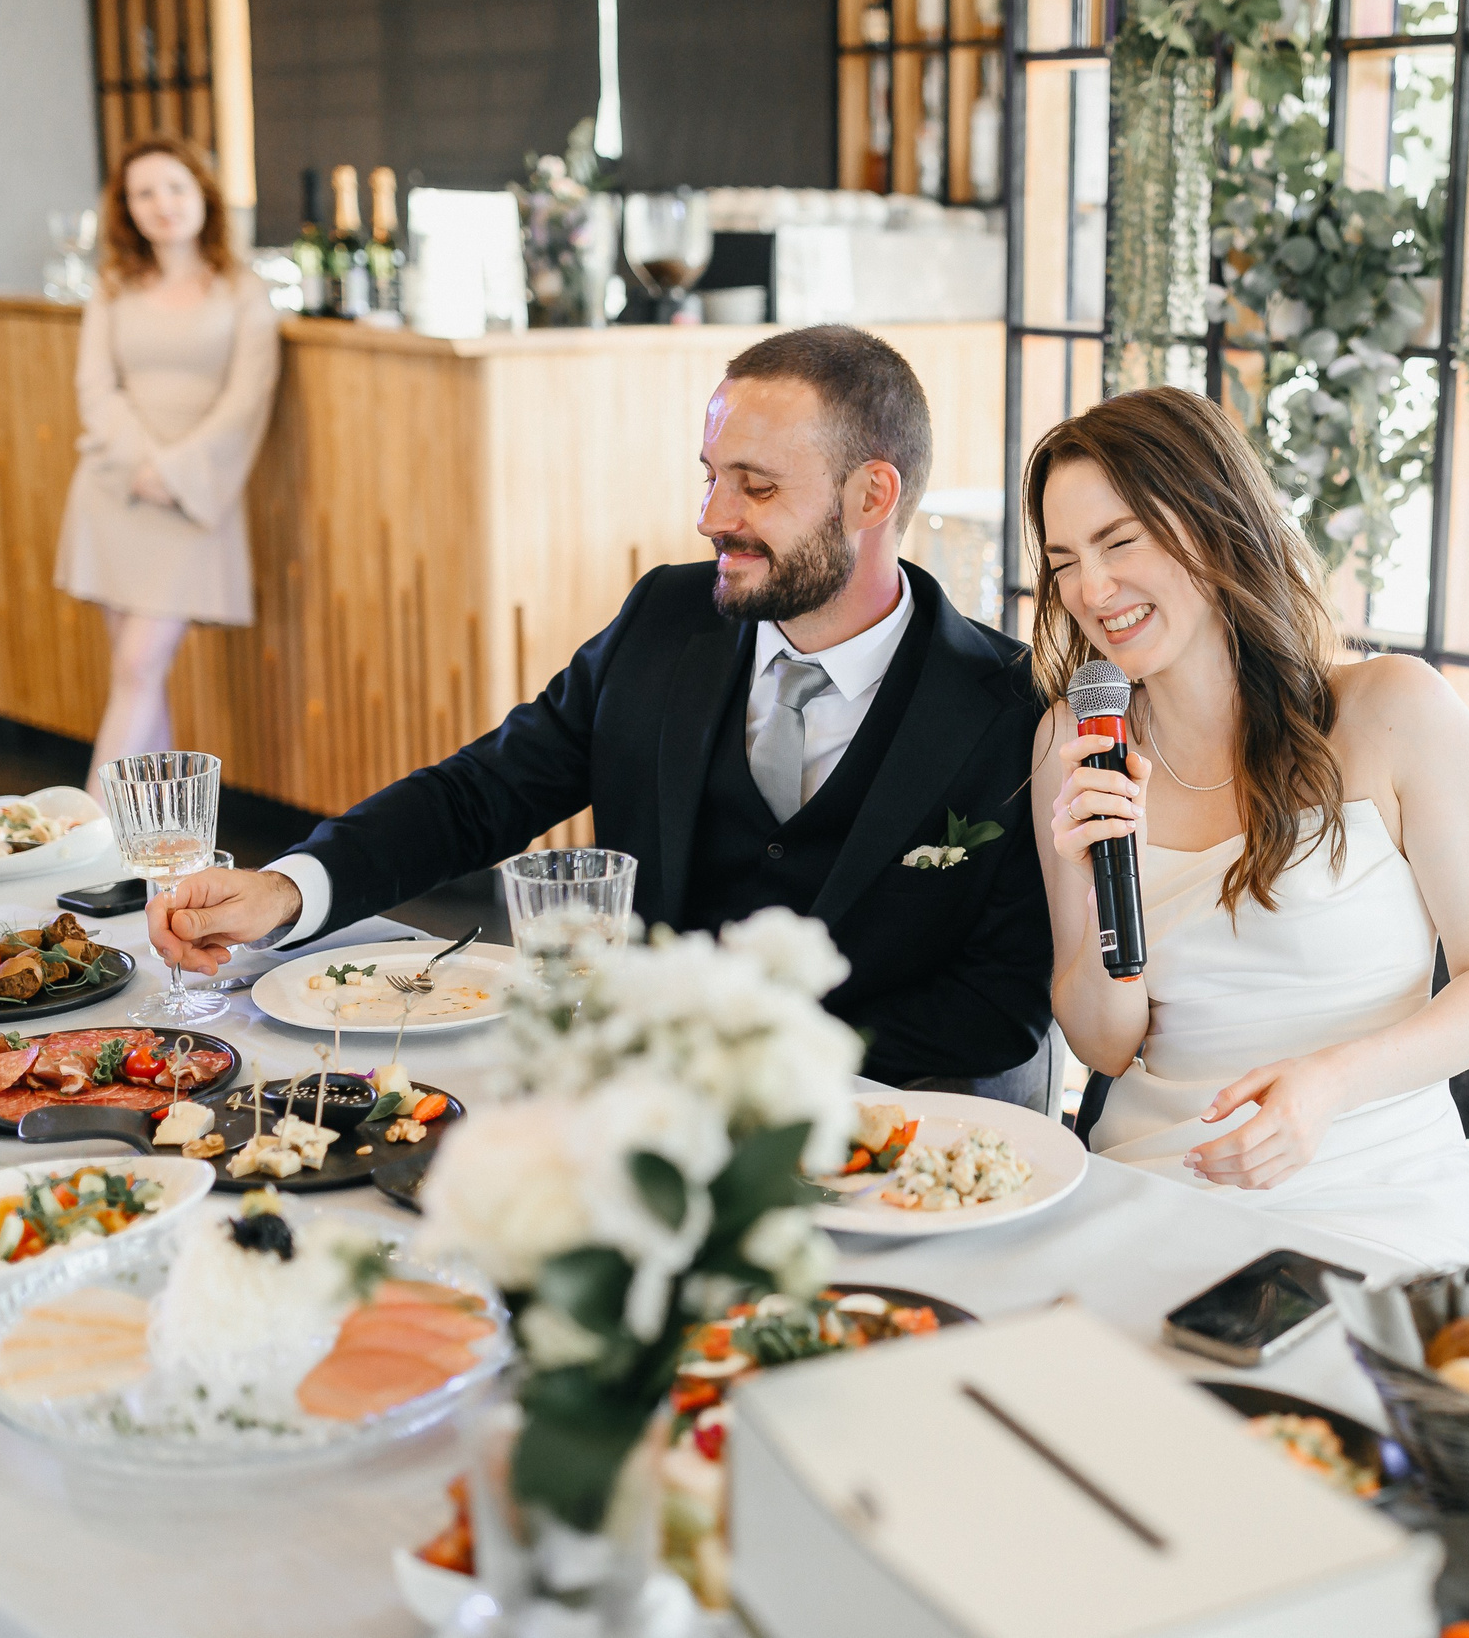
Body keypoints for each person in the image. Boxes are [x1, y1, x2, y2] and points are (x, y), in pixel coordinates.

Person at [148, 326, 1055, 1102]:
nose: (711, 516)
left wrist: (751, 1064)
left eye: (757, 486)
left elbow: (1001, 1002)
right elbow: (483, 792)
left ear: (873, 496)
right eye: (708, 476)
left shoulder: (1007, 705)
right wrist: (293, 888)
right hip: (634, 1109)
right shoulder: (666, 620)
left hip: (884, 1136)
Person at [1029, 387, 1469, 1270]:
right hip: (1155, 1177)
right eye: (1066, 560)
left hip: (1370, 1185)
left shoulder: (1393, 710)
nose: (1092, 589)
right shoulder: (1073, 743)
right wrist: (1094, 876)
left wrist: (1330, 1082)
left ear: (1213, 525)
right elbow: (1106, 1041)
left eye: (1120, 542)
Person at [55, 136, 280, 781]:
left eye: (175, 188)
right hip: (115, 492)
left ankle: (95, 840)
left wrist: (174, 473)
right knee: (136, 674)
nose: (163, 205)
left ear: (203, 195)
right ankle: (156, 847)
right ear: (126, 209)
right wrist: (139, 468)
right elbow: (95, 389)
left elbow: (247, 400)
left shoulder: (242, 291)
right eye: (144, 193)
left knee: (138, 666)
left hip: (194, 497)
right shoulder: (113, 287)